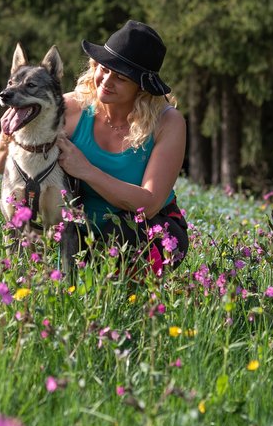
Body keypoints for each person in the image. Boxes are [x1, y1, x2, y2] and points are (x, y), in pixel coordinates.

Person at [57, 19, 188, 273]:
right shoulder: (71, 108)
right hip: (77, 226)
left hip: (149, 227)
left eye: (120, 78)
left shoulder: (168, 122)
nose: (106, 80)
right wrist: (10, 133)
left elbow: (149, 204)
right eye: (103, 69)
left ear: (141, 88)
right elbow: (0, 161)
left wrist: (86, 170)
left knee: (121, 235)